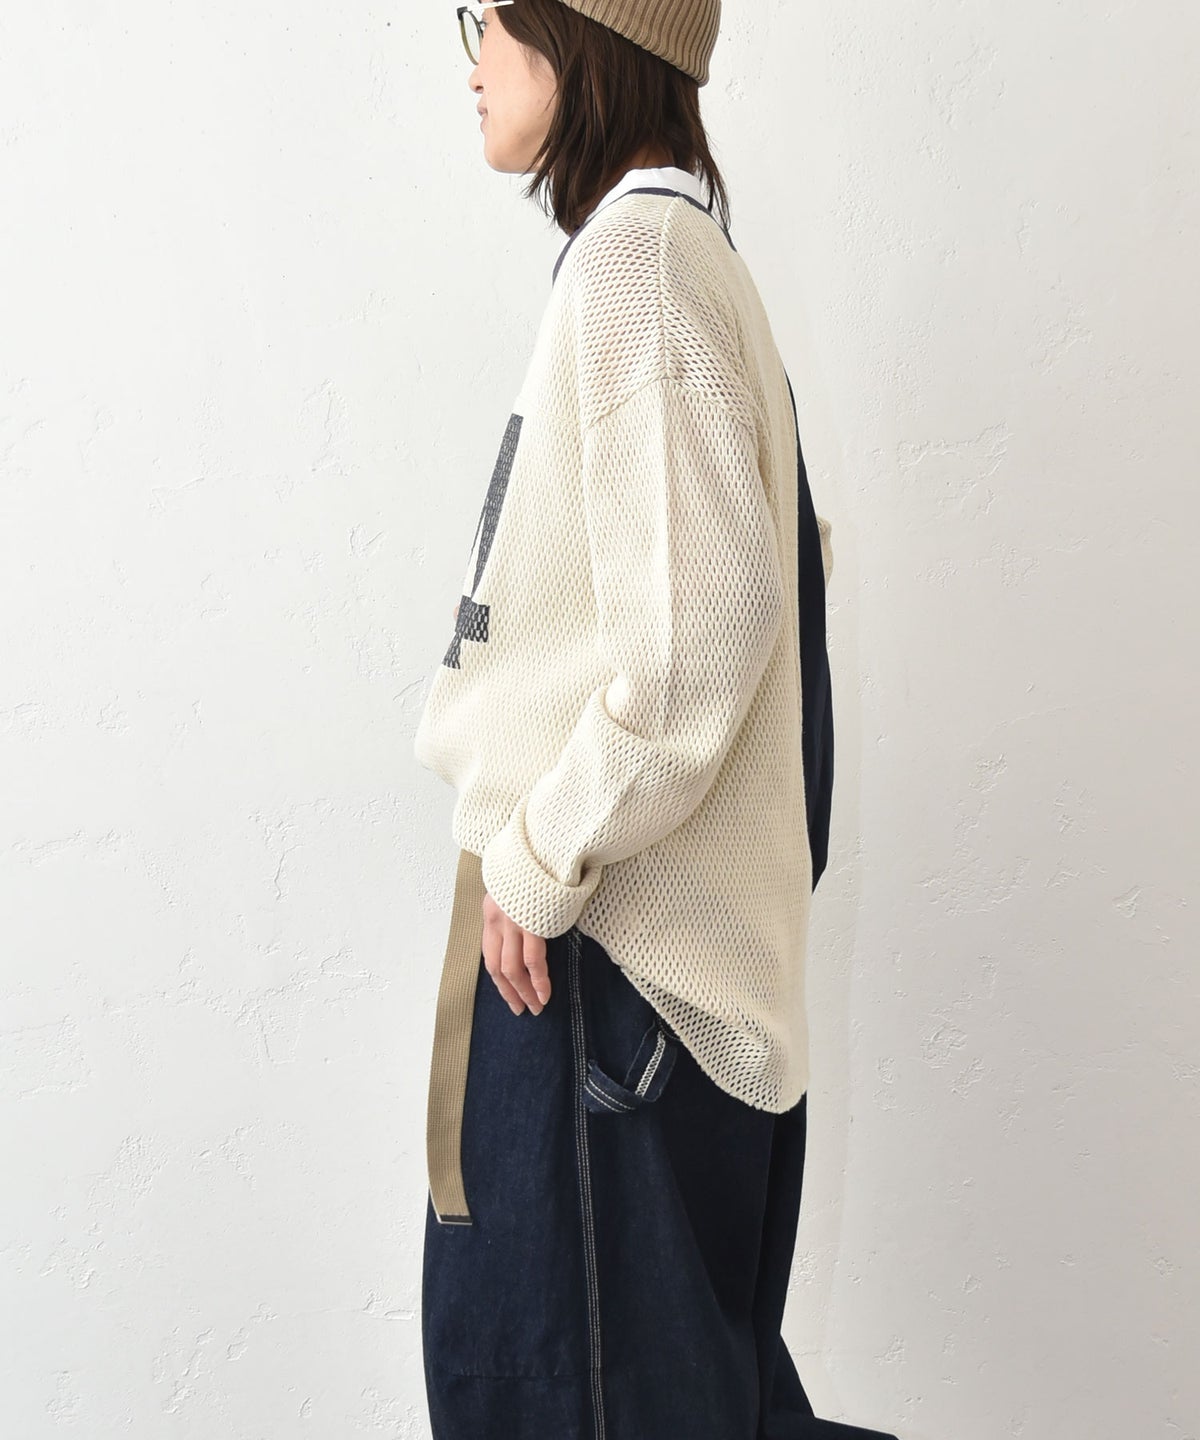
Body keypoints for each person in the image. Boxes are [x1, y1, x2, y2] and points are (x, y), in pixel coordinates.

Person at [412, 3, 899, 1437]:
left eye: (492, 21)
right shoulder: (667, 255)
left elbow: (703, 637)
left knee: (578, 1405)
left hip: (603, 975)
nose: (472, 59)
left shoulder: (643, 264)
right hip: (611, 974)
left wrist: (538, 854)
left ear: (584, 39)